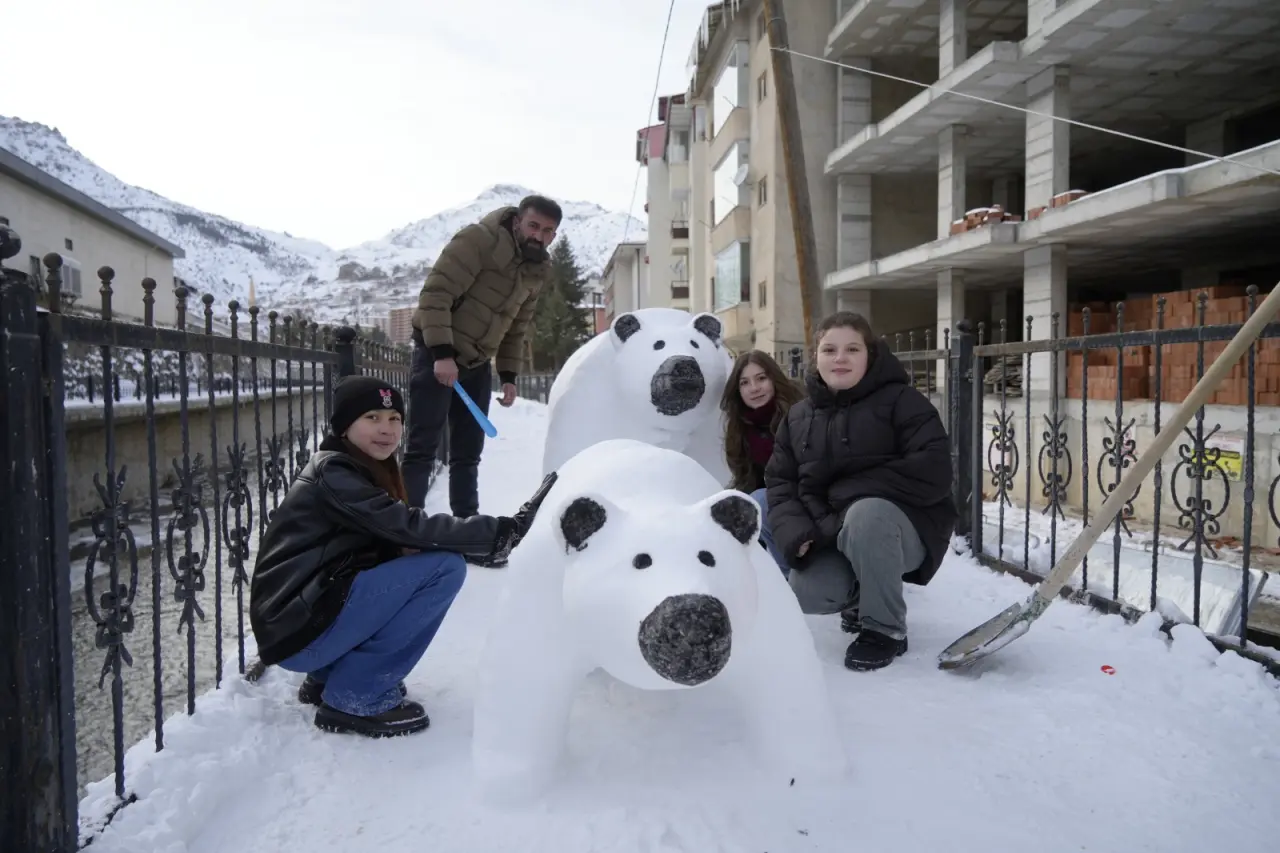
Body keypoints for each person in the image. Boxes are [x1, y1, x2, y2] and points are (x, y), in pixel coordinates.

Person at [249, 375, 554, 737]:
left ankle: (329, 676)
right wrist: (498, 532)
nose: (387, 429)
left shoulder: (357, 468)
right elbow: (407, 526)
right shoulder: (335, 472)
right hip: (297, 631)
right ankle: (355, 695)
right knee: (444, 569)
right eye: (372, 418)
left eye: (394, 419)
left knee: (410, 561)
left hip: (301, 624)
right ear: (344, 425)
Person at [765, 313, 955, 671]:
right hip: (834, 529)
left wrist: (849, 493)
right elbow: (781, 484)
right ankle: (861, 600)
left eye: (852, 348)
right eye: (829, 349)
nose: (840, 358)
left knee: (866, 515)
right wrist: (796, 532)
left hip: (903, 530)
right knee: (807, 590)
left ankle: (885, 629)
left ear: (870, 355)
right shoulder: (798, 417)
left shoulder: (903, 401)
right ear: (816, 357)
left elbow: (935, 471)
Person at [403, 193, 562, 524]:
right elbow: (436, 294)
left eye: (548, 231)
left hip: (476, 363)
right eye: (533, 226)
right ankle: (406, 531)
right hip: (437, 355)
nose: (539, 236)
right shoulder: (478, 241)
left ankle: (467, 525)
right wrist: (442, 355)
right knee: (422, 449)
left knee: (467, 454)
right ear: (518, 221)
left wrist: (508, 376)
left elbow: (517, 326)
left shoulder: (537, 270)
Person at [719, 350, 804, 574]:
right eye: (745, 383)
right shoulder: (740, 428)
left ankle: (788, 576)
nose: (754, 388)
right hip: (775, 506)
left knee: (759, 500)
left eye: (761, 378)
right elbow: (746, 479)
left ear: (773, 379)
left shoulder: (800, 414)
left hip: (807, 501)